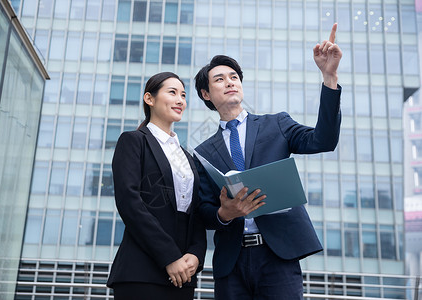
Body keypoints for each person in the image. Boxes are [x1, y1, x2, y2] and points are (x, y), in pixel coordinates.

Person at [193, 24, 342, 299]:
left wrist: (329, 78)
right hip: (231, 264)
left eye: (234, 77)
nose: (230, 82)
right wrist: (225, 213)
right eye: (219, 79)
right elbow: (203, 210)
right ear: (206, 94)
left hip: (278, 257)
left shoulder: (277, 125)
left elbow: (324, 140)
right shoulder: (202, 152)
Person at [107, 72, 207, 300]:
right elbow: (130, 203)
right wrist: (169, 257)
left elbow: (196, 211)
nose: (181, 100)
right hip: (141, 271)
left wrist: (196, 254)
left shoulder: (187, 157)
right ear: (149, 99)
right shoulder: (133, 141)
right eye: (172, 92)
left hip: (183, 275)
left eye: (183, 95)